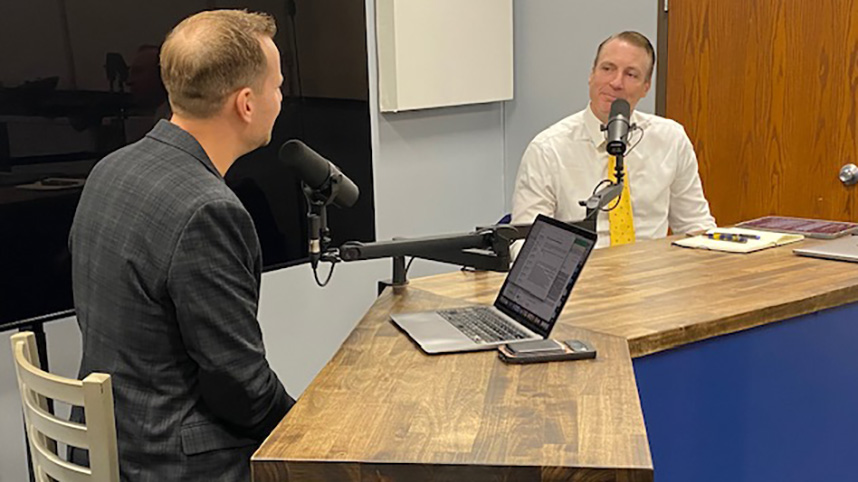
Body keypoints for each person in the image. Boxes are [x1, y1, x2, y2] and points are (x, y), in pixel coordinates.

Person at [69, 10, 294, 481]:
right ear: (247, 103)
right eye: (277, 85)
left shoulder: (110, 169)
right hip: (170, 464)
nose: (281, 97)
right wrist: (305, 428)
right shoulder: (208, 211)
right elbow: (240, 387)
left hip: (106, 440)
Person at [511, 31, 716, 248]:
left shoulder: (671, 140)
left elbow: (695, 225)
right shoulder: (548, 149)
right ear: (592, 75)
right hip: (583, 274)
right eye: (607, 69)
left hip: (653, 274)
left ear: (646, 87)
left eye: (631, 74)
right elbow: (523, 243)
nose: (616, 83)